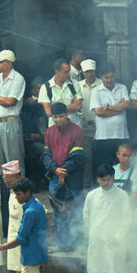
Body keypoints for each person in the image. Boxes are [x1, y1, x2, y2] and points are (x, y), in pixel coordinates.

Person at [83, 164, 130, 273]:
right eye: (102, 180)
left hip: (115, 241)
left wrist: (117, 237)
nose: (106, 183)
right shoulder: (91, 196)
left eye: (109, 180)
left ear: (113, 178)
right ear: (97, 179)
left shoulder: (122, 195)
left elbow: (126, 219)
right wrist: (93, 234)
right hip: (96, 240)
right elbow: (87, 217)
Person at [42, 102, 85, 252]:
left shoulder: (77, 131)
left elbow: (77, 156)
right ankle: (62, 244)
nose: (58, 120)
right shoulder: (49, 132)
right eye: (55, 117)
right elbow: (46, 155)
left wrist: (63, 171)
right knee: (57, 210)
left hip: (73, 177)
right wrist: (55, 170)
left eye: (61, 116)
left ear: (67, 115)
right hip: (55, 176)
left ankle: (79, 243)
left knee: (76, 210)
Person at [0, 50, 26, 166]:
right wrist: (2, 100)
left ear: (9, 63)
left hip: (10, 122)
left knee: (13, 160)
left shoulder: (18, 78)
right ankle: (2, 184)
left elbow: (11, 101)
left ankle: (17, 184)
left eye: (0, 62)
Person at [90, 63, 130, 170]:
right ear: (101, 76)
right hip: (103, 137)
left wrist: (107, 108)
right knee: (104, 168)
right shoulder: (96, 91)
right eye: (106, 77)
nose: (109, 80)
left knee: (122, 167)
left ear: (115, 75)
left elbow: (125, 105)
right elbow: (98, 112)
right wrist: (119, 108)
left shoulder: (122, 88)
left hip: (121, 135)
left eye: (111, 77)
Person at [38, 58, 82, 127]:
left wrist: (56, 109)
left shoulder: (75, 84)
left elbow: (78, 106)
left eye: (69, 71)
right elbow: (49, 112)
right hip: (55, 130)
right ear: (57, 72)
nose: (69, 74)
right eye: (66, 72)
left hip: (74, 127)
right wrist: (71, 106)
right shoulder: (45, 87)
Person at [78, 59, 101, 188]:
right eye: (87, 72)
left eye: (92, 71)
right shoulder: (78, 86)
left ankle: (101, 183)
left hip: (101, 125)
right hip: (85, 126)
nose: (90, 74)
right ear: (82, 72)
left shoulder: (101, 84)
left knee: (100, 157)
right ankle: (87, 186)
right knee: (87, 158)